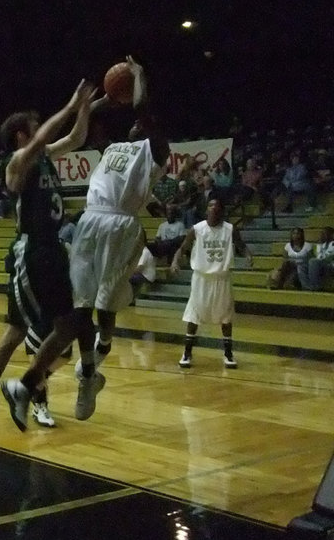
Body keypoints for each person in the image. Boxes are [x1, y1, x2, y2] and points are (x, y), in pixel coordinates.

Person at [0, 78, 99, 447]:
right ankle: (15, 391)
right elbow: (44, 141)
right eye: (35, 128)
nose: (41, 133)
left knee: (26, 332)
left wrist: (83, 109)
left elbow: (76, 140)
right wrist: (70, 107)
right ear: (22, 136)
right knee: (58, 325)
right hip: (33, 253)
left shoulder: (42, 157)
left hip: (51, 249)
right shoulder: (18, 162)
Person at [68, 59, 170, 401]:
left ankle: (105, 344)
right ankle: (87, 373)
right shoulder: (111, 148)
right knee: (81, 303)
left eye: (143, 123)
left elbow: (143, 107)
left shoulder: (156, 152)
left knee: (105, 304)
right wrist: (106, 100)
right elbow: (88, 118)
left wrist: (139, 74)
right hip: (91, 218)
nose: (136, 125)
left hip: (121, 223)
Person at [169, 198, 252, 368]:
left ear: (221, 211)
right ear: (206, 209)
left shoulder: (230, 229)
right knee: (194, 315)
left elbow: (241, 245)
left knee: (226, 317)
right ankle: (187, 352)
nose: (213, 209)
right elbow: (183, 248)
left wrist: (248, 255)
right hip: (201, 278)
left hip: (222, 277)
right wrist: (175, 261)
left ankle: (228, 354)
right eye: (210, 206)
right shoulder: (197, 229)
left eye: (217, 207)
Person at [301, 226, 334, 291]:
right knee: (301, 266)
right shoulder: (320, 245)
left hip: (330, 266)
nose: (324, 235)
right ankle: (307, 286)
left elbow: (329, 258)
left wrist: (315, 260)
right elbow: (317, 256)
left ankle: (315, 286)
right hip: (320, 265)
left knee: (313, 261)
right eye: (323, 233)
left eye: (326, 233)